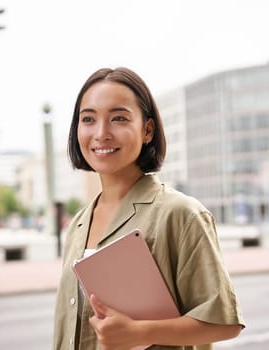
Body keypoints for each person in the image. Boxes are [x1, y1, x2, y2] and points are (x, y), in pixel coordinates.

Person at [53, 67, 244, 350]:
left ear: (147, 130)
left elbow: (222, 322)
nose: (101, 133)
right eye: (88, 119)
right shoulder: (78, 224)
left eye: (118, 118)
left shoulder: (181, 214)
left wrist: (140, 333)